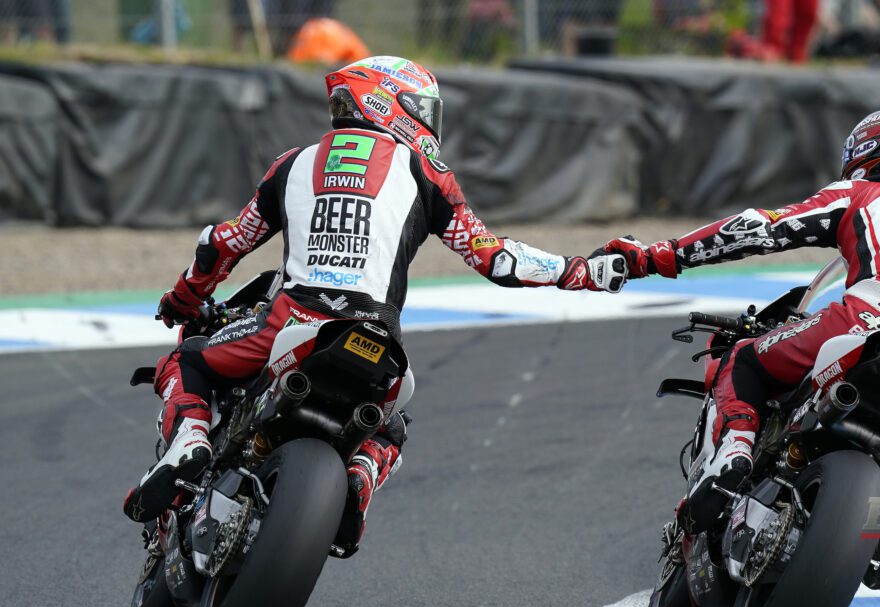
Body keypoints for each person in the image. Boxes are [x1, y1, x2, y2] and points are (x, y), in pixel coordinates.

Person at [122, 56, 628, 558]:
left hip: (288, 322)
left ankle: (191, 439)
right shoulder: (427, 172)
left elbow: (224, 244)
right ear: (392, 103)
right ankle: (358, 482)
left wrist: (185, 295)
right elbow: (495, 258)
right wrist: (579, 269)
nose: (430, 123)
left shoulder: (293, 163)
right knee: (391, 427)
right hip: (375, 337)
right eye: (423, 109)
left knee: (187, 359)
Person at [596, 108, 880, 586]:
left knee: (744, 359)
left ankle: (736, 452)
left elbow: (758, 228)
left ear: (871, 153)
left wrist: (654, 257)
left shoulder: (864, 194)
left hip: (861, 324)